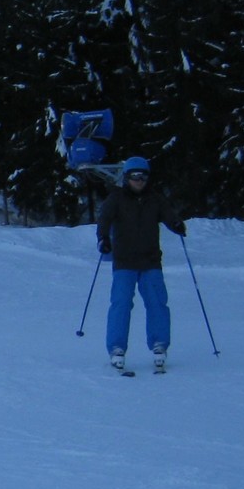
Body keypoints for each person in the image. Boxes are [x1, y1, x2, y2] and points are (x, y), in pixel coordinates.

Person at [95, 157, 184, 373]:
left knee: (157, 303)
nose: (139, 181)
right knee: (121, 304)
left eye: (143, 177)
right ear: (127, 178)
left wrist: (176, 224)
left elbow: (169, 215)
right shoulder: (116, 198)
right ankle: (117, 348)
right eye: (135, 177)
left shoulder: (155, 199)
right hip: (124, 262)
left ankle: (159, 344)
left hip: (150, 261)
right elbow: (104, 220)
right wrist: (103, 239)